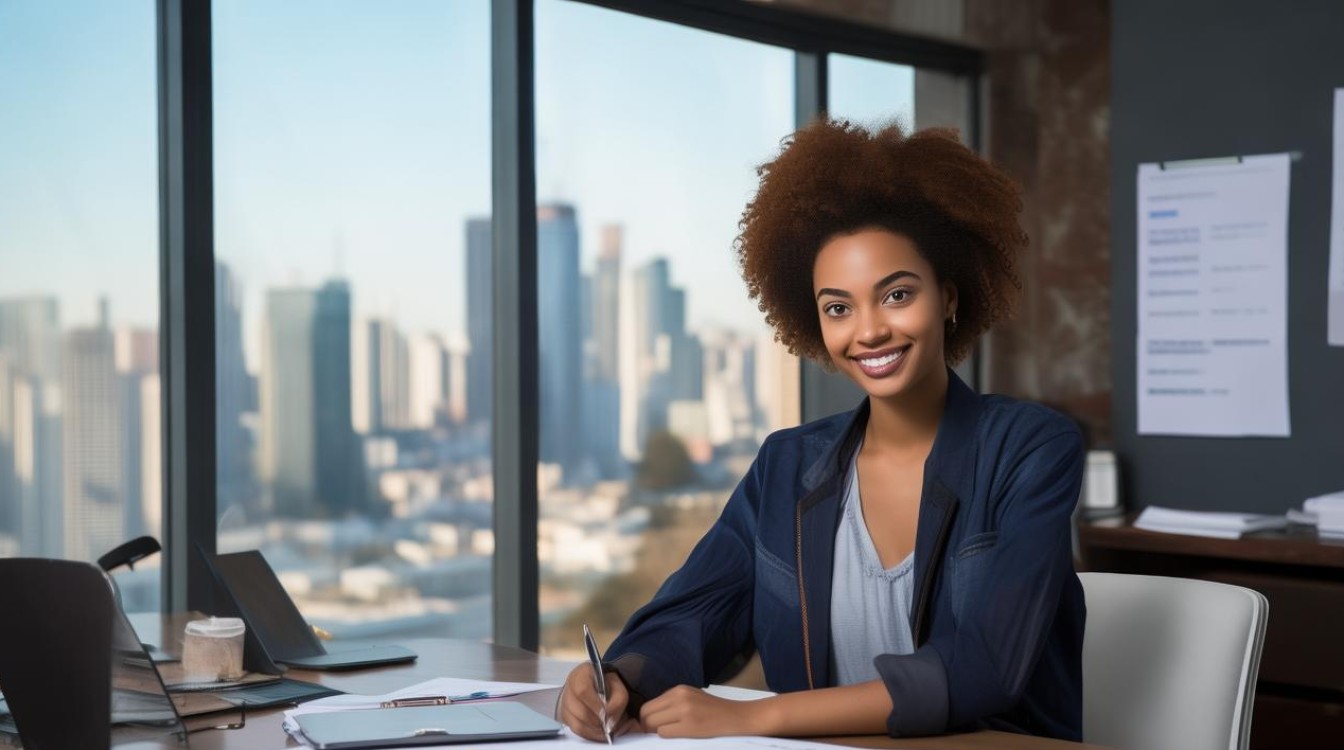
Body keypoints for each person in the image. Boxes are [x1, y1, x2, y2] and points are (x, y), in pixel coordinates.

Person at [559, 119, 1086, 742]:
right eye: (839, 307)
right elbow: (696, 612)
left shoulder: (1030, 448)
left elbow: (986, 666)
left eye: (895, 295)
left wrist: (761, 716)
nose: (867, 332)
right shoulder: (787, 465)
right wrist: (619, 676)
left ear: (948, 296)